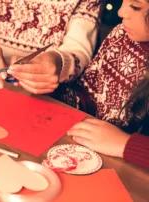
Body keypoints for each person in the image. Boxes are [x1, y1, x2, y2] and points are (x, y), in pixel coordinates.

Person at [12, 0, 148, 169]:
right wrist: (47, 83)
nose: (120, 12)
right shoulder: (123, 35)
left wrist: (127, 145)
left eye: (136, 7)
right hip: (87, 154)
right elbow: (86, 95)